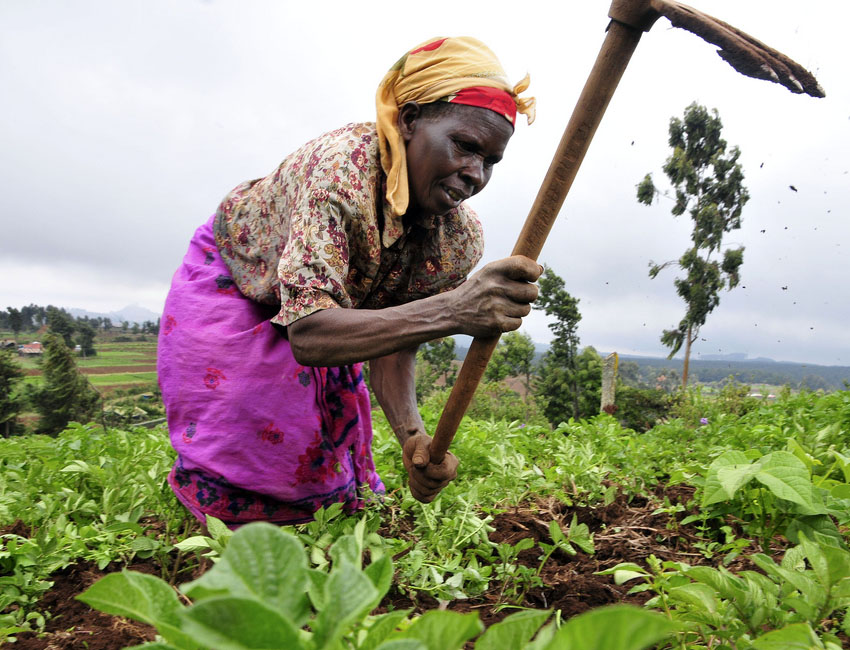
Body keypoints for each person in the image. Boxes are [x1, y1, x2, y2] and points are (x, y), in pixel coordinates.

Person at [157, 36, 542, 527]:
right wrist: (454, 310)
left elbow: (395, 339)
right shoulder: (341, 174)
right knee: (248, 423)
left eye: (490, 160)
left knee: (319, 469)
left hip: (327, 304)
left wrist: (413, 438)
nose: (475, 174)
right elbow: (311, 334)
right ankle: (218, 535)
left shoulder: (457, 239)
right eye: (465, 146)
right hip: (240, 273)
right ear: (408, 120)